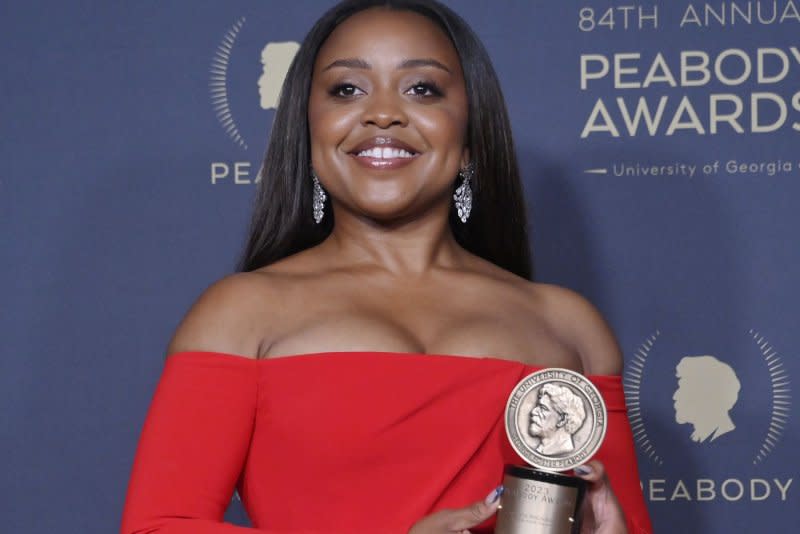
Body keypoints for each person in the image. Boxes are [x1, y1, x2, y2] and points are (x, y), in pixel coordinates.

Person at [121, 1, 652, 533]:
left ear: (469, 139)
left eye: (422, 88)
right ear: (308, 134)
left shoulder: (570, 328)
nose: (382, 113)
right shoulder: (238, 315)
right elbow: (159, 526)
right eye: (347, 89)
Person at [529, 383, 586, 456]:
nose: (533, 411)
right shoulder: (541, 450)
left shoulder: (564, 450)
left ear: (562, 420)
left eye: (542, 408)